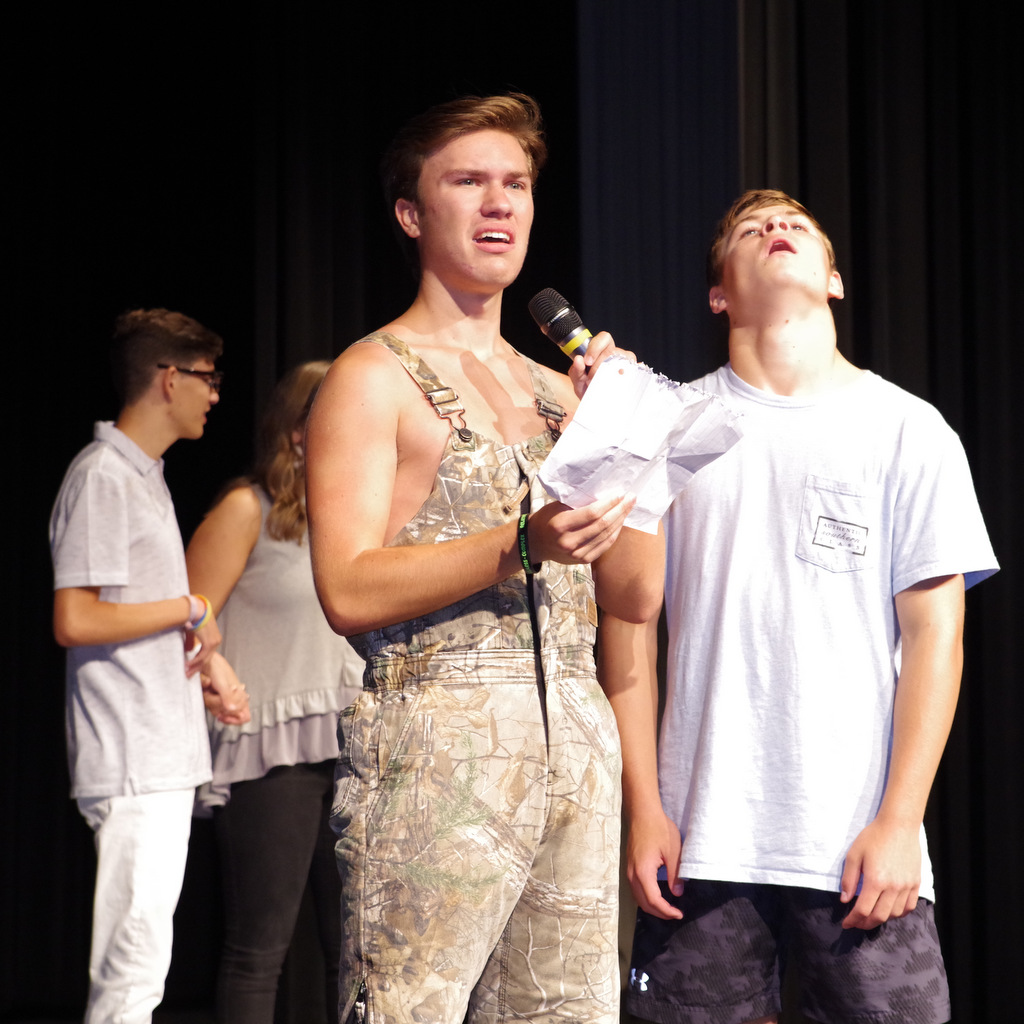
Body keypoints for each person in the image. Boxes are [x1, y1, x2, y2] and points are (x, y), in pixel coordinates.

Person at [600, 190, 999, 1024]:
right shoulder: (673, 427)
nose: (775, 228)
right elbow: (629, 626)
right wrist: (645, 809)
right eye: (750, 228)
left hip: (855, 848)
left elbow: (936, 637)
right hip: (700, 845)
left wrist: (901, 821)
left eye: (796, 225)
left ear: (835, 280)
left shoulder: (909, 429)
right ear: (718, 294)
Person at [305, 94, 661, 1024]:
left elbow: (634, 595)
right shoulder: (372, 376)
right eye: (468, 182)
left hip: (577, 752)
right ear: (411, 213)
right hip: (437, 758)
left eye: (517, 184)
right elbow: (345, 587)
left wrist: (625, 438)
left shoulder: (558, 392)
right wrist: (519, 544)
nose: (500, 203)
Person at [49, 308, 248, 1024]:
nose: (214, 394)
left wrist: (206, 663)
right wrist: (189, 607)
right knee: (130, 980)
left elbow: (135, 613)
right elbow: (76, 619)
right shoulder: (103, 475)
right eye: (207, 378)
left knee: (144, 971)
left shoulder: (144, 476)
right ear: (168, 379)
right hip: (133, 758)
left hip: (158, 751)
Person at [185, 360, 364, 1024]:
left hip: (351, 750)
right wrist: (217, 682)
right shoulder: (247, 509)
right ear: (296, 432)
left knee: (354, 952)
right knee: (259, 950)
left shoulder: (359, 520)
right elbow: (188, 618)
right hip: (271, 749)